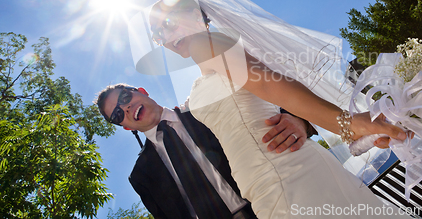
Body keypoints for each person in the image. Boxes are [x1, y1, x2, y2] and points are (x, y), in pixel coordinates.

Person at [147, 0, 410, 218]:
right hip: (264, 179)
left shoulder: (204, 43)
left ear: (196, 15)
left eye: (168, 23)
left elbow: (267, 83)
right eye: (158, 34)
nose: (166, 37)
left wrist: (348, 124)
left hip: (284, 173)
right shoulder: (209, 62)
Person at [95, 83, 315, 219]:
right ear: (125, 126)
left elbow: (256, 92)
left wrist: (298, 119)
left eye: (125, 98)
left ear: (141, 91)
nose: (125, 108)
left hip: (274, 208)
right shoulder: (141, 177)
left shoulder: (204, 110)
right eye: (117, 114)